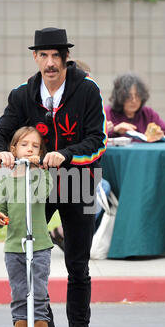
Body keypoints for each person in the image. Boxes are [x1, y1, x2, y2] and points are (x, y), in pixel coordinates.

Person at [0, 27, 107, 327]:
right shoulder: (24, 93)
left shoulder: (86, 90)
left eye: (57, 56)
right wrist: (1, 153)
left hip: (77, 180)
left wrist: (65, 155)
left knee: (78, 265)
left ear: (66, 58)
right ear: (36, 58)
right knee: (33, 259)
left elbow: (97, 142)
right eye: (44, 56)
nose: (50, 63)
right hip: (38, 184)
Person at [0, 126, 54, 327]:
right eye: (24, 145)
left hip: (38, 245)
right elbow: (0, 208)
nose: (29, 149)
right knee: (19, 292)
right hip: (14, 247)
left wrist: (39, 168)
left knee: (38, 291)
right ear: (13, 150)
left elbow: (42, 194)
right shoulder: (6, 181)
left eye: (35, 146)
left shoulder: (39, 176)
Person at [49, 60, 112, 252]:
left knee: (100, 188)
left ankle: (68, 234)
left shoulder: (92, 104)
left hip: (85, 171)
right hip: (60, 173)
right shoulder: (57, 106)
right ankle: (66, 233)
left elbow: (96, 139)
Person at [106, 73, 165, 142]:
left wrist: (161, 135)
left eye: (138, 96)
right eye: (129, 96)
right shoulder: (107, 113)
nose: (134, 100)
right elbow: (97, 138)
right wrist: (114, 130)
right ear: (119, 97)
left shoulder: (148, 113)